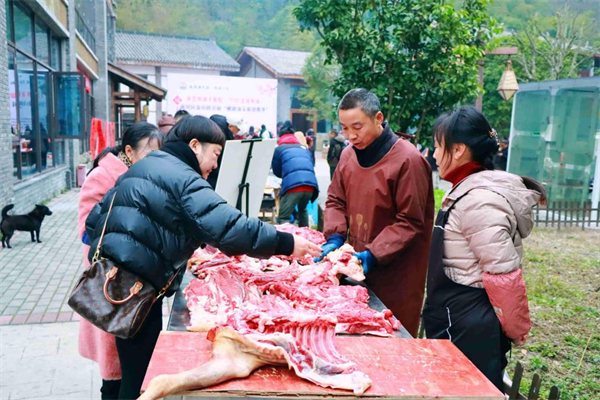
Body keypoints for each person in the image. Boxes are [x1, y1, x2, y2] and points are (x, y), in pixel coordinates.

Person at [85, 116, 321, 400]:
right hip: (138, 289)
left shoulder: (148, 164)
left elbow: (94, 221)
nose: (216, 164)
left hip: (119, 283)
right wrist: (286, 242)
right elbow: (230, 227)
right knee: (139, 379)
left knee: (133, 369)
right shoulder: (184, 177)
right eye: (216, 154)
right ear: (195, 145)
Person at [423, 106, 544, 391]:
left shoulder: (479, 200)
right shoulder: (466, 190)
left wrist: (516, 329)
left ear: (458, 150)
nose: (435, 155)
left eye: (438, 147)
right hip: (455, 320)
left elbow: (504, 277)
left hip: (470, 328)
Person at [321, 88, 434, 337]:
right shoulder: (348, 155)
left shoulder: (408, 160)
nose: (350, 136)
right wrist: (335, 237)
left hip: (397, 274)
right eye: (344, 128)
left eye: (357, 127)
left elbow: (410, 222)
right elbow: (336, 200)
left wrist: (373, 254)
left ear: (378, 118)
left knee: (391, 343)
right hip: (356, 271)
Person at [78, 122, 163, 400]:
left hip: (136, 284)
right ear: (129, 150)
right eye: (150, 153)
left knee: (131, 373)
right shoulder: (102, 176)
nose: (155, 161)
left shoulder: (142, 176)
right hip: (110, 283)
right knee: (113, 377)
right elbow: (87, 232)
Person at [272, 121, 319, 227]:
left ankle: (286, 242)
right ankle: (306, 238)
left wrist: (285, 175)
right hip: (311, 186)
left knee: (284, 218)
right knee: (302, 210)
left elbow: (276, 170)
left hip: (293, 187)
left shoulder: (279, 149)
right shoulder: (303, 148)